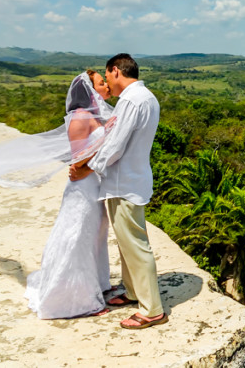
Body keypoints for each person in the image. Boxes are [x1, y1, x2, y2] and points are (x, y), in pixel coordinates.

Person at [0, 71, 117, 319]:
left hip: (93, 184)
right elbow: (78, 159)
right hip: (83, 186)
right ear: (90, 91)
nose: (106, 86)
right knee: (76, 238)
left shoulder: (95, 116)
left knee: (93, 236)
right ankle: (71, 298)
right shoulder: (79, 118)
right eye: (101, 83)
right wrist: (102, 146)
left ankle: (93, 285)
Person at [71, 53, 166, 329]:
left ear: (115, 71)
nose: (107, 86)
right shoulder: (144, 97)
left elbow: (114, 146)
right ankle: (134, 291)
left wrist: (86, 168)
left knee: (135, 245)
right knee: (128, 243)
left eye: (106, 77)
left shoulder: (131, 101)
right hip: (129, 179)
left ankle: (152, 310)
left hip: (124, 182)